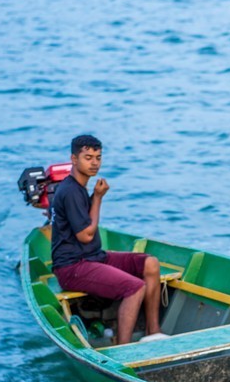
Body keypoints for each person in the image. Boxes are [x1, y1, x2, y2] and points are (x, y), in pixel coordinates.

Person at [50, 135, 163, 345]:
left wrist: (93, 196)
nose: (94, 163)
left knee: (151, 264)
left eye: (98, 158)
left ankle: (153, 332)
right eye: (88, 157)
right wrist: (99, 198)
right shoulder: (71, 191)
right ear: (73, 159)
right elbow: (86, 235)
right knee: (135, 287)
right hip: (73, 267)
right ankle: (123, 348)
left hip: (93, 257)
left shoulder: (78, 188)